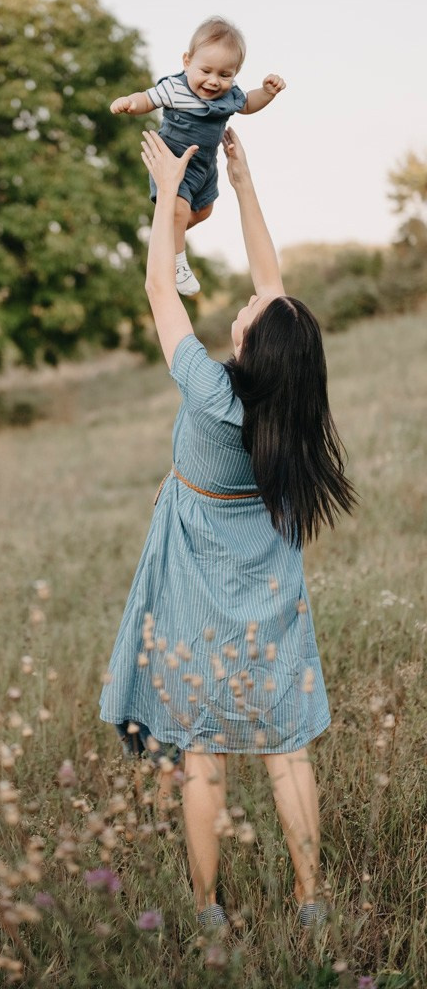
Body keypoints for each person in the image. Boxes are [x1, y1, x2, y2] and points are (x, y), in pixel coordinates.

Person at [99, 127, 356, 933]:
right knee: (287, 749)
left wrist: (168, 196)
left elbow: (156, 288)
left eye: (249, 311)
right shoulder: (293, 406)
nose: (250, 298)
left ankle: (210, 912)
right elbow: (274, 293)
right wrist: (243, 187)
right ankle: (311, 902)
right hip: (270, 583)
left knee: (202, 752)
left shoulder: (212, 393)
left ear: (249, 345)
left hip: (198, 581)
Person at [110, 17, 285, 296]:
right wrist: (131, 104)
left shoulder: (230, 96)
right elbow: (148, 97)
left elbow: (248, 105)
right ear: (187, 61)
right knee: (178, 209)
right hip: (174, 163)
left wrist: (266, 93)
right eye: (206, 71)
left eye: (225, 75)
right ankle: (177, 263)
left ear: (235, 73)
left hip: (206, 166)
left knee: (203, 210)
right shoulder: (175, 89)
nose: (214, 81)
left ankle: (168, 237)